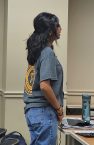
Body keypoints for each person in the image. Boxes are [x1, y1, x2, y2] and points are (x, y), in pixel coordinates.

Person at [23, 12, 64, 145]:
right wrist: (59, 109)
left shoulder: (36, 50)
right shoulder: (47, 53)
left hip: (33, 112)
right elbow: (45, 86)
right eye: (58, 25)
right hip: (43, 112)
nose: (60, 28)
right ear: (51, 30)